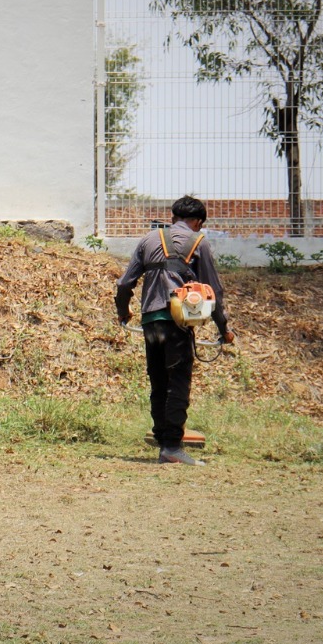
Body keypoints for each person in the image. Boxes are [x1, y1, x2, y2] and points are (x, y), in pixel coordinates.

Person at [114, 195, 234, 465]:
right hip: (178, 323)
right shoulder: (197, 242)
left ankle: (163, 439)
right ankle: (172, 447)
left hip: (151, 323)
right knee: (178, 382)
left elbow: (125, 284)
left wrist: (123, 311)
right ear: (197, 222)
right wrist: (224, 328)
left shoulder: (148, 240)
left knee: (158, 381)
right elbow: (214, 291)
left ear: (173, 218)